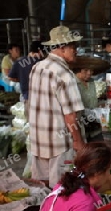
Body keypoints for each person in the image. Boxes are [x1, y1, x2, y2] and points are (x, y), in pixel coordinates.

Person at [28, 25, 85, 188]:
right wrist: (78, 142)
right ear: (61, 47)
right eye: (73, 46)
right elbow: (70, 116)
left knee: (42, 186)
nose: (76, 50)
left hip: (38, 140)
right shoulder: (64, 74)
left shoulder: (37, 68)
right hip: (59, 143)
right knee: (62, 188)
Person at [8, 41, 44, 119]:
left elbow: (10, 77)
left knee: (30, 122)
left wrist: (21, 79)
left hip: (27, 97)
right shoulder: (42, 63)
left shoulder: (20, 62)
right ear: (40, 51)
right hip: (42, 98)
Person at [72, 61, 103, 142]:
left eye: (91, 70)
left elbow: (93, 101)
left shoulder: (91, 82)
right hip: (81, 126)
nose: (89, 73)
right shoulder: (72, 83)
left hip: (95, 126)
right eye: (85, 70)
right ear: (78, 70)